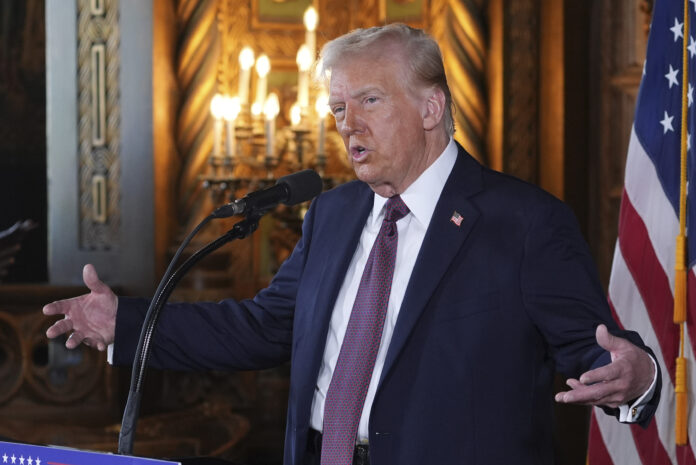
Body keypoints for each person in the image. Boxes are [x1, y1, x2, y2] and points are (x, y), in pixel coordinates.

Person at [43, 24, 659, 465]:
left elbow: (595, 351)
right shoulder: (333, 213)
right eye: (338, 107)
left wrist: (636, 375)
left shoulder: (525, 221)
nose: (347, 125)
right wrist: (127, 323)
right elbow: (262, 326)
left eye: (368, 100)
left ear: (430, 107)